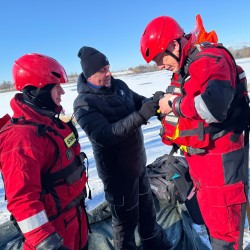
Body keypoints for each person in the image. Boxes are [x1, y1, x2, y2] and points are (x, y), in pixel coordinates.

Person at [140, 15, 249, 250]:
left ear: (174, 46)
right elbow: (188, 115)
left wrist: (175, 104)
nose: (159, 66)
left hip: (220, 167)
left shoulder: (209, 59)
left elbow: (214, 106)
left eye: (160, 59)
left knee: (225, 236)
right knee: (214, 227)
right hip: (202, 167)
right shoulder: (186, 67)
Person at [73, 46, 170, 250]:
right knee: (125, 222)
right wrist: (142, 115)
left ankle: (154, 243)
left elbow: (138, 102)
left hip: (138, 163)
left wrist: (154, 102)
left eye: (108, 67)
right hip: (117, 173)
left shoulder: (120, 85)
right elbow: (105, 136)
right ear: (90, 74)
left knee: (147, 211)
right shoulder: (84, 103)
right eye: (103, 70)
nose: (109, 73)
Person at [0, 53, 89, 250]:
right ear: (38, 89)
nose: (62, 92)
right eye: (56, 86)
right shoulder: (21, 139)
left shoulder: (52, 124)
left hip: (76, 225)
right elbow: (23, 202)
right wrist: (48, 244)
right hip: (53, 238)